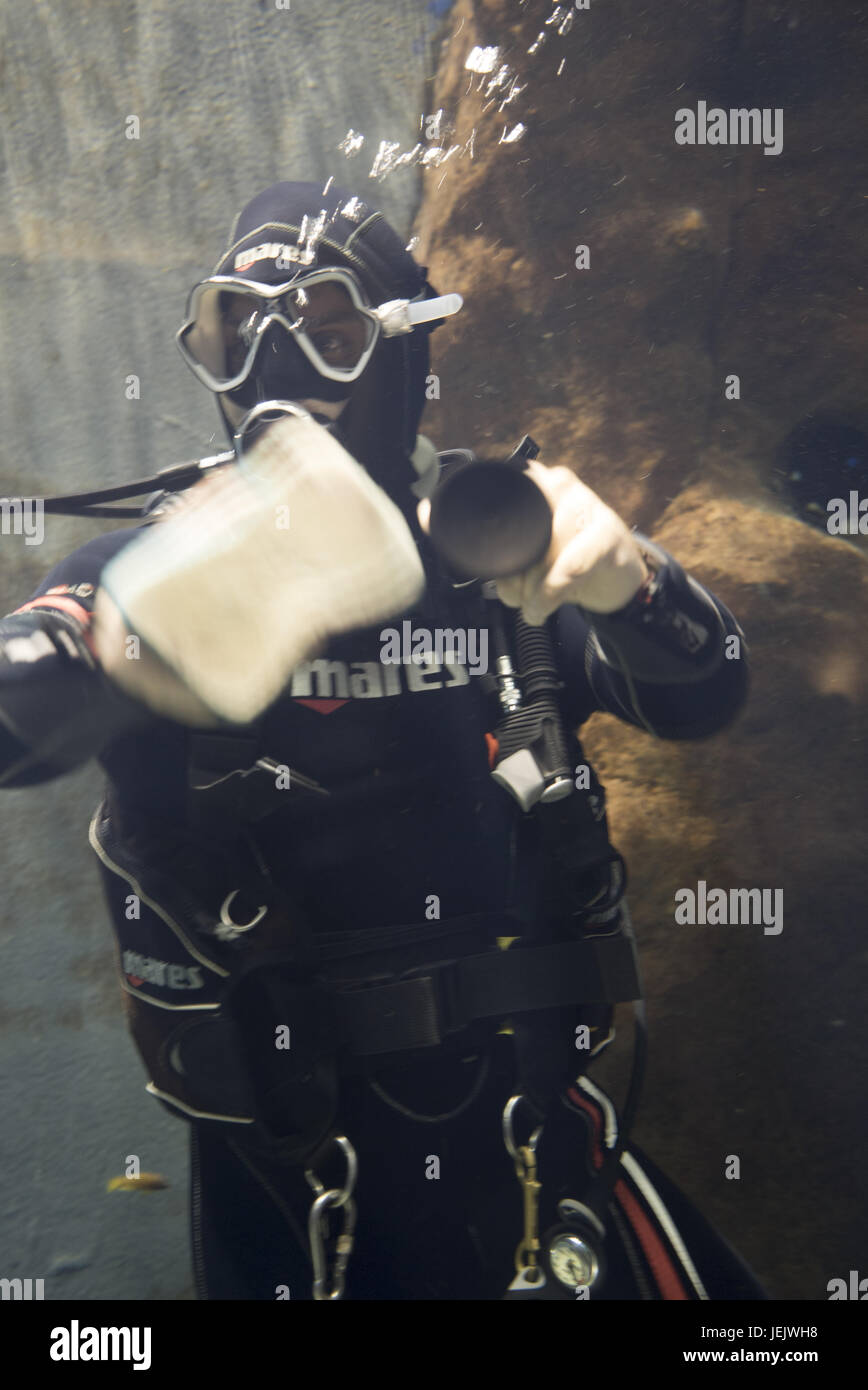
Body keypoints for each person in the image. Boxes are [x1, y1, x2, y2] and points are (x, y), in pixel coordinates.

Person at [0, 180, 766, 1301]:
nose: (277, 377)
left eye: (331, 331)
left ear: (407, 351)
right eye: (235, 335)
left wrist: (628, 578)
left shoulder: (502, 556)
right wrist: (101, 649)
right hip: (291, 1194)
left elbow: (709, 691)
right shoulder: (132, 587)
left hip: (541, 1155)